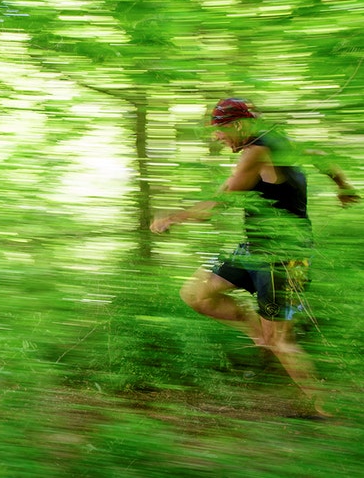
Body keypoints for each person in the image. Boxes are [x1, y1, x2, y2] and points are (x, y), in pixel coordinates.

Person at [150, 98, 358, 416]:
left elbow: (218, 206)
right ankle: (256, 328)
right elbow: (318, 155)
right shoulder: (275, 141)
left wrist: (174, 217)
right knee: (197, 293)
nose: (216, 138)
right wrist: (342, 185)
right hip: (254, 249)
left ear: (237, 125)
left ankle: (325, 409)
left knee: (281, 342)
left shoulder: (257, 151)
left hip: (285, 258)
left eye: (219, 131)